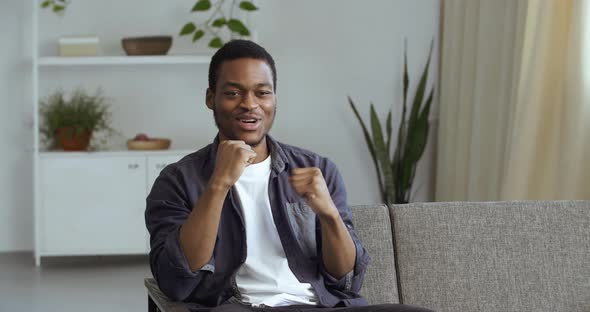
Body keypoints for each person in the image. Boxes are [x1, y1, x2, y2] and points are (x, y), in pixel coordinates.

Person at [145, 40, 433, 312]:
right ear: (211, 98)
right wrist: (219, 183)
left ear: (274, 99)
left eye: (262, 92)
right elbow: (175, 280)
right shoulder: (178, 180)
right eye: (233, 93)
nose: (249, 103)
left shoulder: (317, 169)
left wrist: (329, 214)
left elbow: (346, 280)